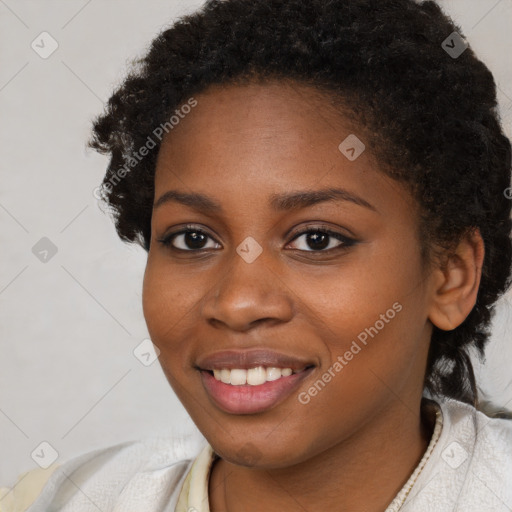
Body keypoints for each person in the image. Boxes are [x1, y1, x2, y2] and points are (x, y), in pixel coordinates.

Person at [2, 0, 512, 510]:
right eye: (193, 239)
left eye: (317, 239)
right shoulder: (56, 501)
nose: (238, 303)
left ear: (451, 274)